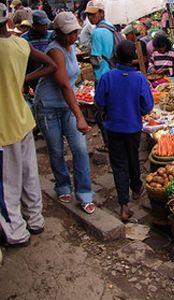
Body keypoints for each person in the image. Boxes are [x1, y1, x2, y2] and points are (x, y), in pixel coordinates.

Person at [2, 3, 60, 247]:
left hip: (4, 128)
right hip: (24, 120)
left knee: (7, 184)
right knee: (28, 175)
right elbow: (51, 65)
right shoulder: (20, 44)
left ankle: (16, 233)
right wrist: (23, 78)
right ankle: (35, 220)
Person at [35, 12, 94, 214]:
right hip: (48, 106)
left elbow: (71, 83)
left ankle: (85, 193)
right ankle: (62, 185)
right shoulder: (54, 51)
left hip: (68, 104)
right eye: (69, 33)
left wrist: (75, 111)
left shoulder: (71, 48)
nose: (73, 36)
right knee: (57, 150)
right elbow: (64, 85)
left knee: (80, 149)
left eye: (75, 32)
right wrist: (80, 115)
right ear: (57, 33)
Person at [94, 40, 154, 221]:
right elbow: (148, 105)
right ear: (134, 58)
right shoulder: (140, 78)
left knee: (119, 164)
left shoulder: (107, 77)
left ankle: (123, 205)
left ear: (116, 57)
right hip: (133, 127)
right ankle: (136, 189)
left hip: (113, 127)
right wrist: (138, 110)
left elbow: (100, 102)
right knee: (133, 156)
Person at [87, 0, 119, 81]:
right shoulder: (110, 26)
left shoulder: (97, 32)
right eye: (88, 14)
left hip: (103, 74)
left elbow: (96, 60)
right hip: (113, 69)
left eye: (93, 14)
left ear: (102, 13)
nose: (90, 17)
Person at [21, 10, 52, 88]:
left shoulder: (51, 37)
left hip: (49, 79)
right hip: (32, 79)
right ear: (33, 24)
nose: (45, 27)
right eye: (41, 25)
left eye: (46, 24)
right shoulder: (24, 39)